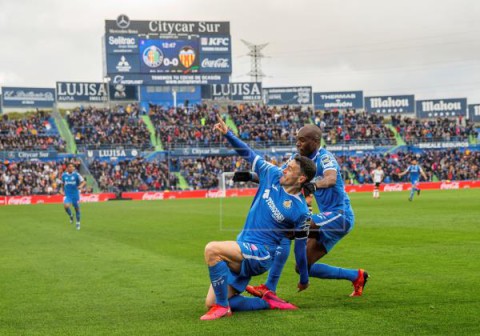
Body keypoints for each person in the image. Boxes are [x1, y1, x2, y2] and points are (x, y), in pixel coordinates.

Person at [200, 115, 316, 321]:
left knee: (212, 250)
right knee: (209, 300)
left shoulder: (301, 211)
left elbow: (300, 248)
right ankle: (265, 302)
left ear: (301, 178)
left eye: (290, 169)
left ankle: (222, 308)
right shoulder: (271, 173)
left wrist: (304, 279)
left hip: (261, 255)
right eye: (286, 165)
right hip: (243, 246)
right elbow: (248, 153)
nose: (284, 168)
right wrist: (228, 134)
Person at [242, 124, 368, 299]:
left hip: (340, 216)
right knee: (302, 267)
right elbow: (279, 176)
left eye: (302, 140)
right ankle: (356, 276)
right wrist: (249, 176)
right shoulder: (298, 160)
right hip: (327, 220)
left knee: (287, 231)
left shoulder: (325, 158)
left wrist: (315, 184)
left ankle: (269, 287)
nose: (297, 144)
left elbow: (331, 179)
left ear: (315, 141)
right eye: (296, 140)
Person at [60, 163, 86, 230]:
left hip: (75, 195)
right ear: (67, 168)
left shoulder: (76, 175)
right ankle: (71, 215)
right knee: (66, 206)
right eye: (69, 167)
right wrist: (61, 190)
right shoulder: (64, 175)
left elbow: (84, 182)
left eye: (72, 167)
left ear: (74, 168)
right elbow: (62, 184)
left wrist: (80, 186)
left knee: (77, 209)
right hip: (68, 195)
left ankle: (78, 223)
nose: (70, 168)